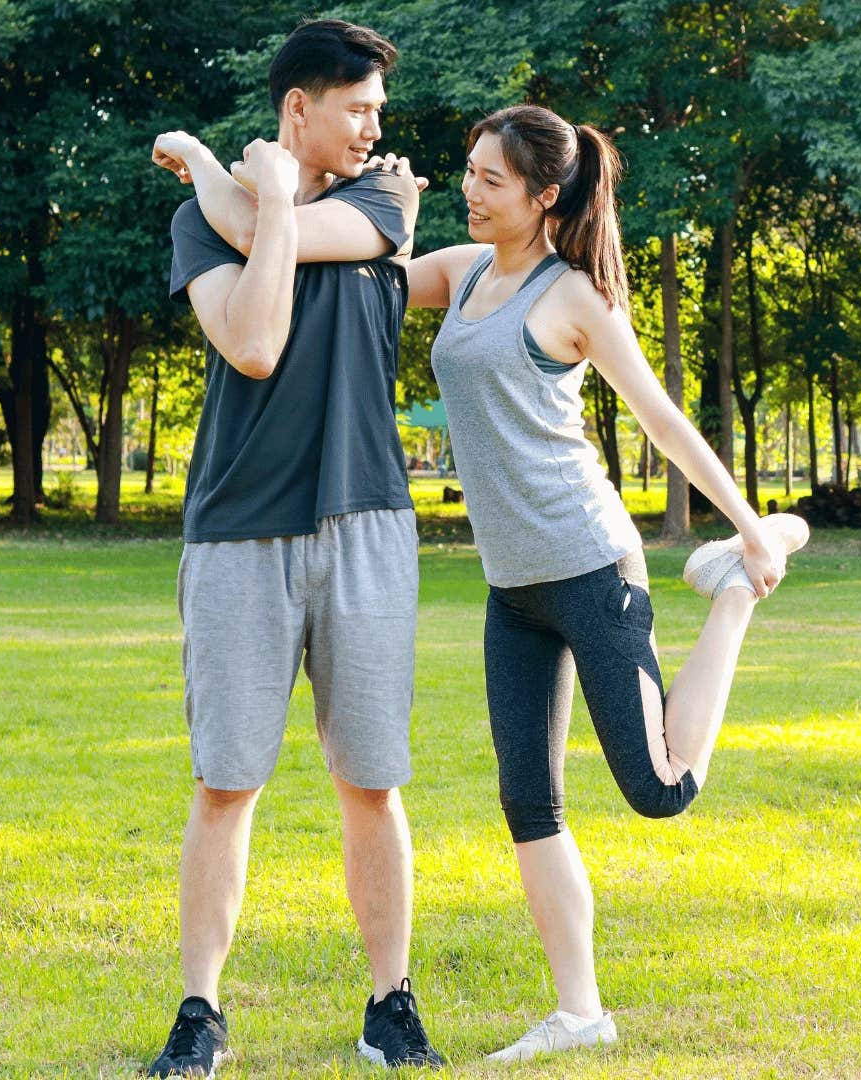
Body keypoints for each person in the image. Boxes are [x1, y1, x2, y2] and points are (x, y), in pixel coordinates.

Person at [400, 104, 809, 1061]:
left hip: (591, 567)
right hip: (513, 590)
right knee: (527, 804)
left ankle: (734, 598)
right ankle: (580, 1013)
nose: (470, 190)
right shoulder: (462, 274)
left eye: (491, 180)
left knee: (660, 790)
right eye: (467, 172)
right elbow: (370, 272)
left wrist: (748, 527)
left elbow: (662, 421)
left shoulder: (573, 295)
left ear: (546, 196)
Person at [146, 18, 443, 1075]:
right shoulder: (203, 226)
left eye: (378, 111)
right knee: (227, 781)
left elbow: (257, 221)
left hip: (366, 519)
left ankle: (390, 1002)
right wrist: (237, 186)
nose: (374, 128)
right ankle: (200, 1012)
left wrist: (234, 179)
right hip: (237, 531)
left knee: (373, 778)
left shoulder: (384, 203)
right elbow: (257, 343)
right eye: (355, 108)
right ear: (298, 109)